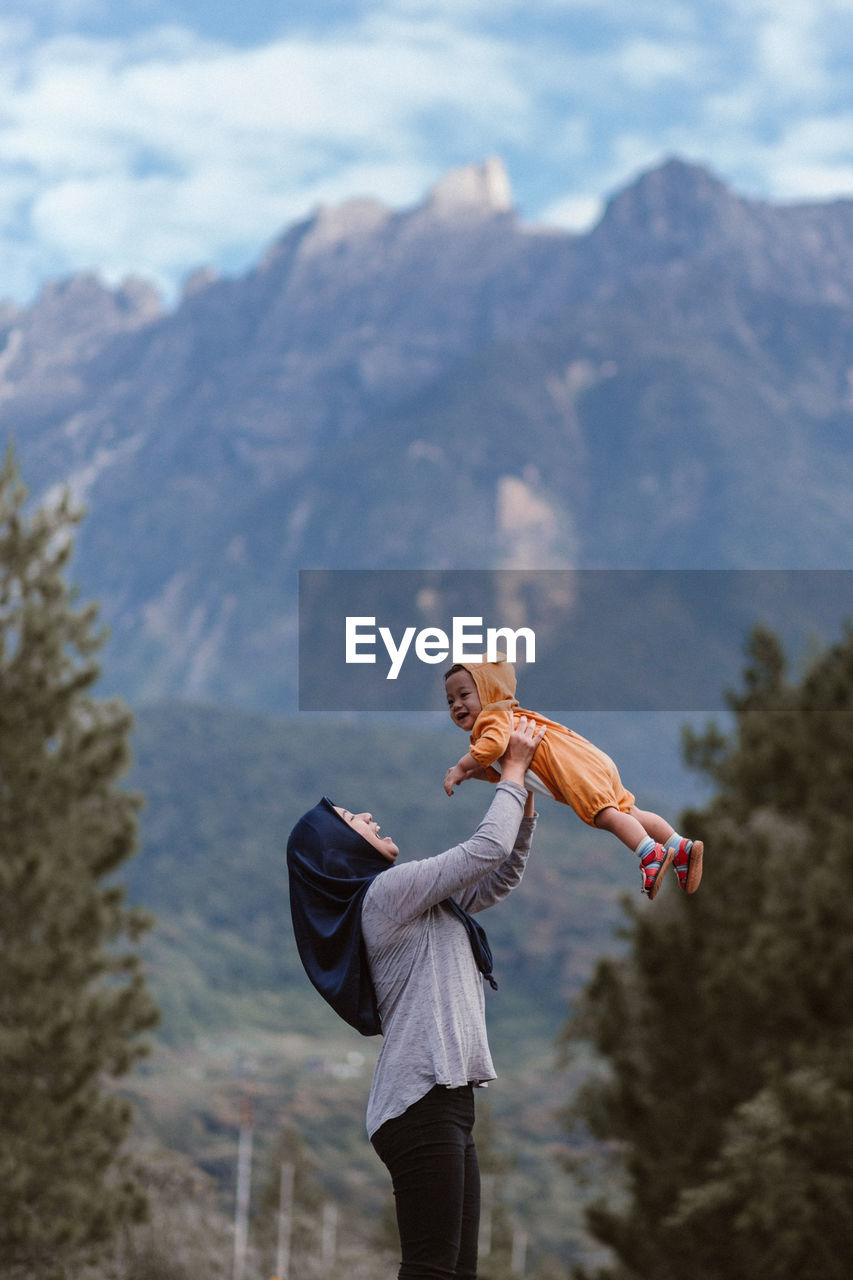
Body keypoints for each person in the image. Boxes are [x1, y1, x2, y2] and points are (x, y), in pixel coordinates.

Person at [286, 716, 545, 1280]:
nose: (370, 817)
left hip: (445, 1098)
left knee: (457, 1270)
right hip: (419, 1100)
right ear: (338, 850)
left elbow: (499, 874)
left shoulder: (414, 901)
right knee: (431, 1267)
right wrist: (515, 771)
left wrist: (523, 807)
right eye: (355, 820)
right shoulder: (384, 896)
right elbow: (485, 848)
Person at [443, 655, 703, 900]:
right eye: (450, 701)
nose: (457, 705)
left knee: (604, 815)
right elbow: (499, 767)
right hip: (591, 761)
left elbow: (490, 749)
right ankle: (680, 847)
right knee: (630, 811)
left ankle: (650, 853)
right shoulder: (509, 718)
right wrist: (472, 775)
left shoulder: (493, 718)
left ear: (489, 692)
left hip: (575, 772)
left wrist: (461, 767)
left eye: (464, 695)